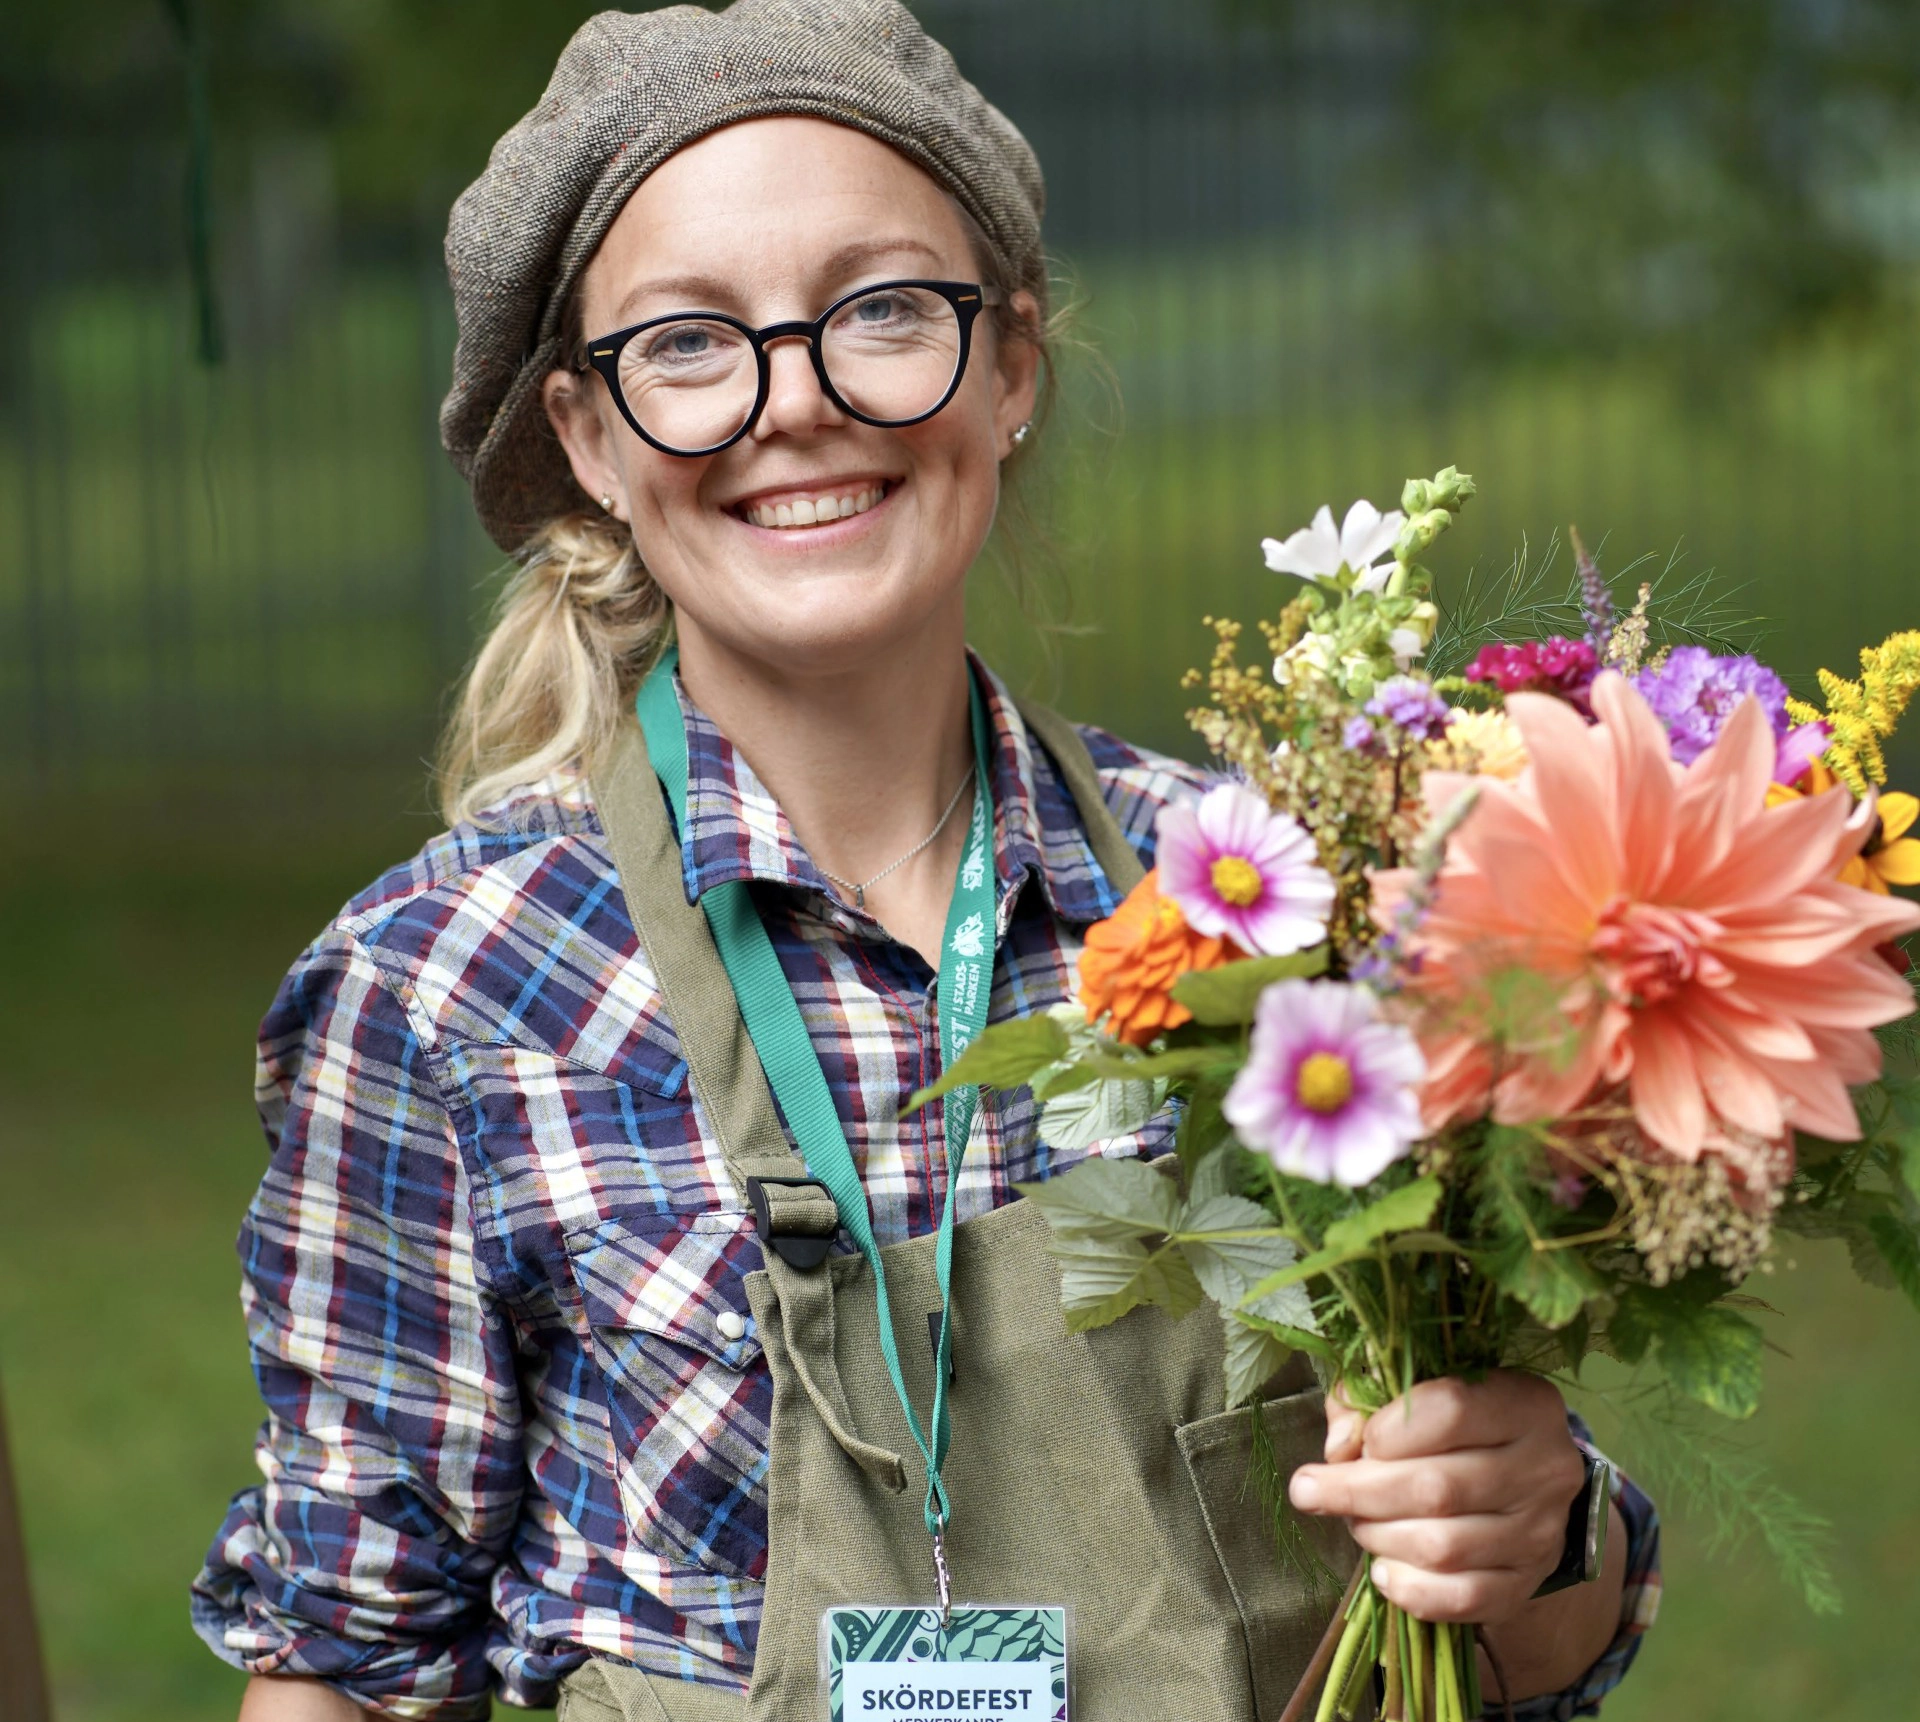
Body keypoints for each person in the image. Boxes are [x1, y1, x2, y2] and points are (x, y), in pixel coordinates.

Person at [192, 4, 1660, 1718]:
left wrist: (1531, 1526)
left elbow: (1530, 1639)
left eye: (882, 309)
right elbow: (349, 1668)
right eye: (690, 342)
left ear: (1009, 364)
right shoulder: (450, 991)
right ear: (589, 438)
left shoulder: (1276, 896)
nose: (799, 401)